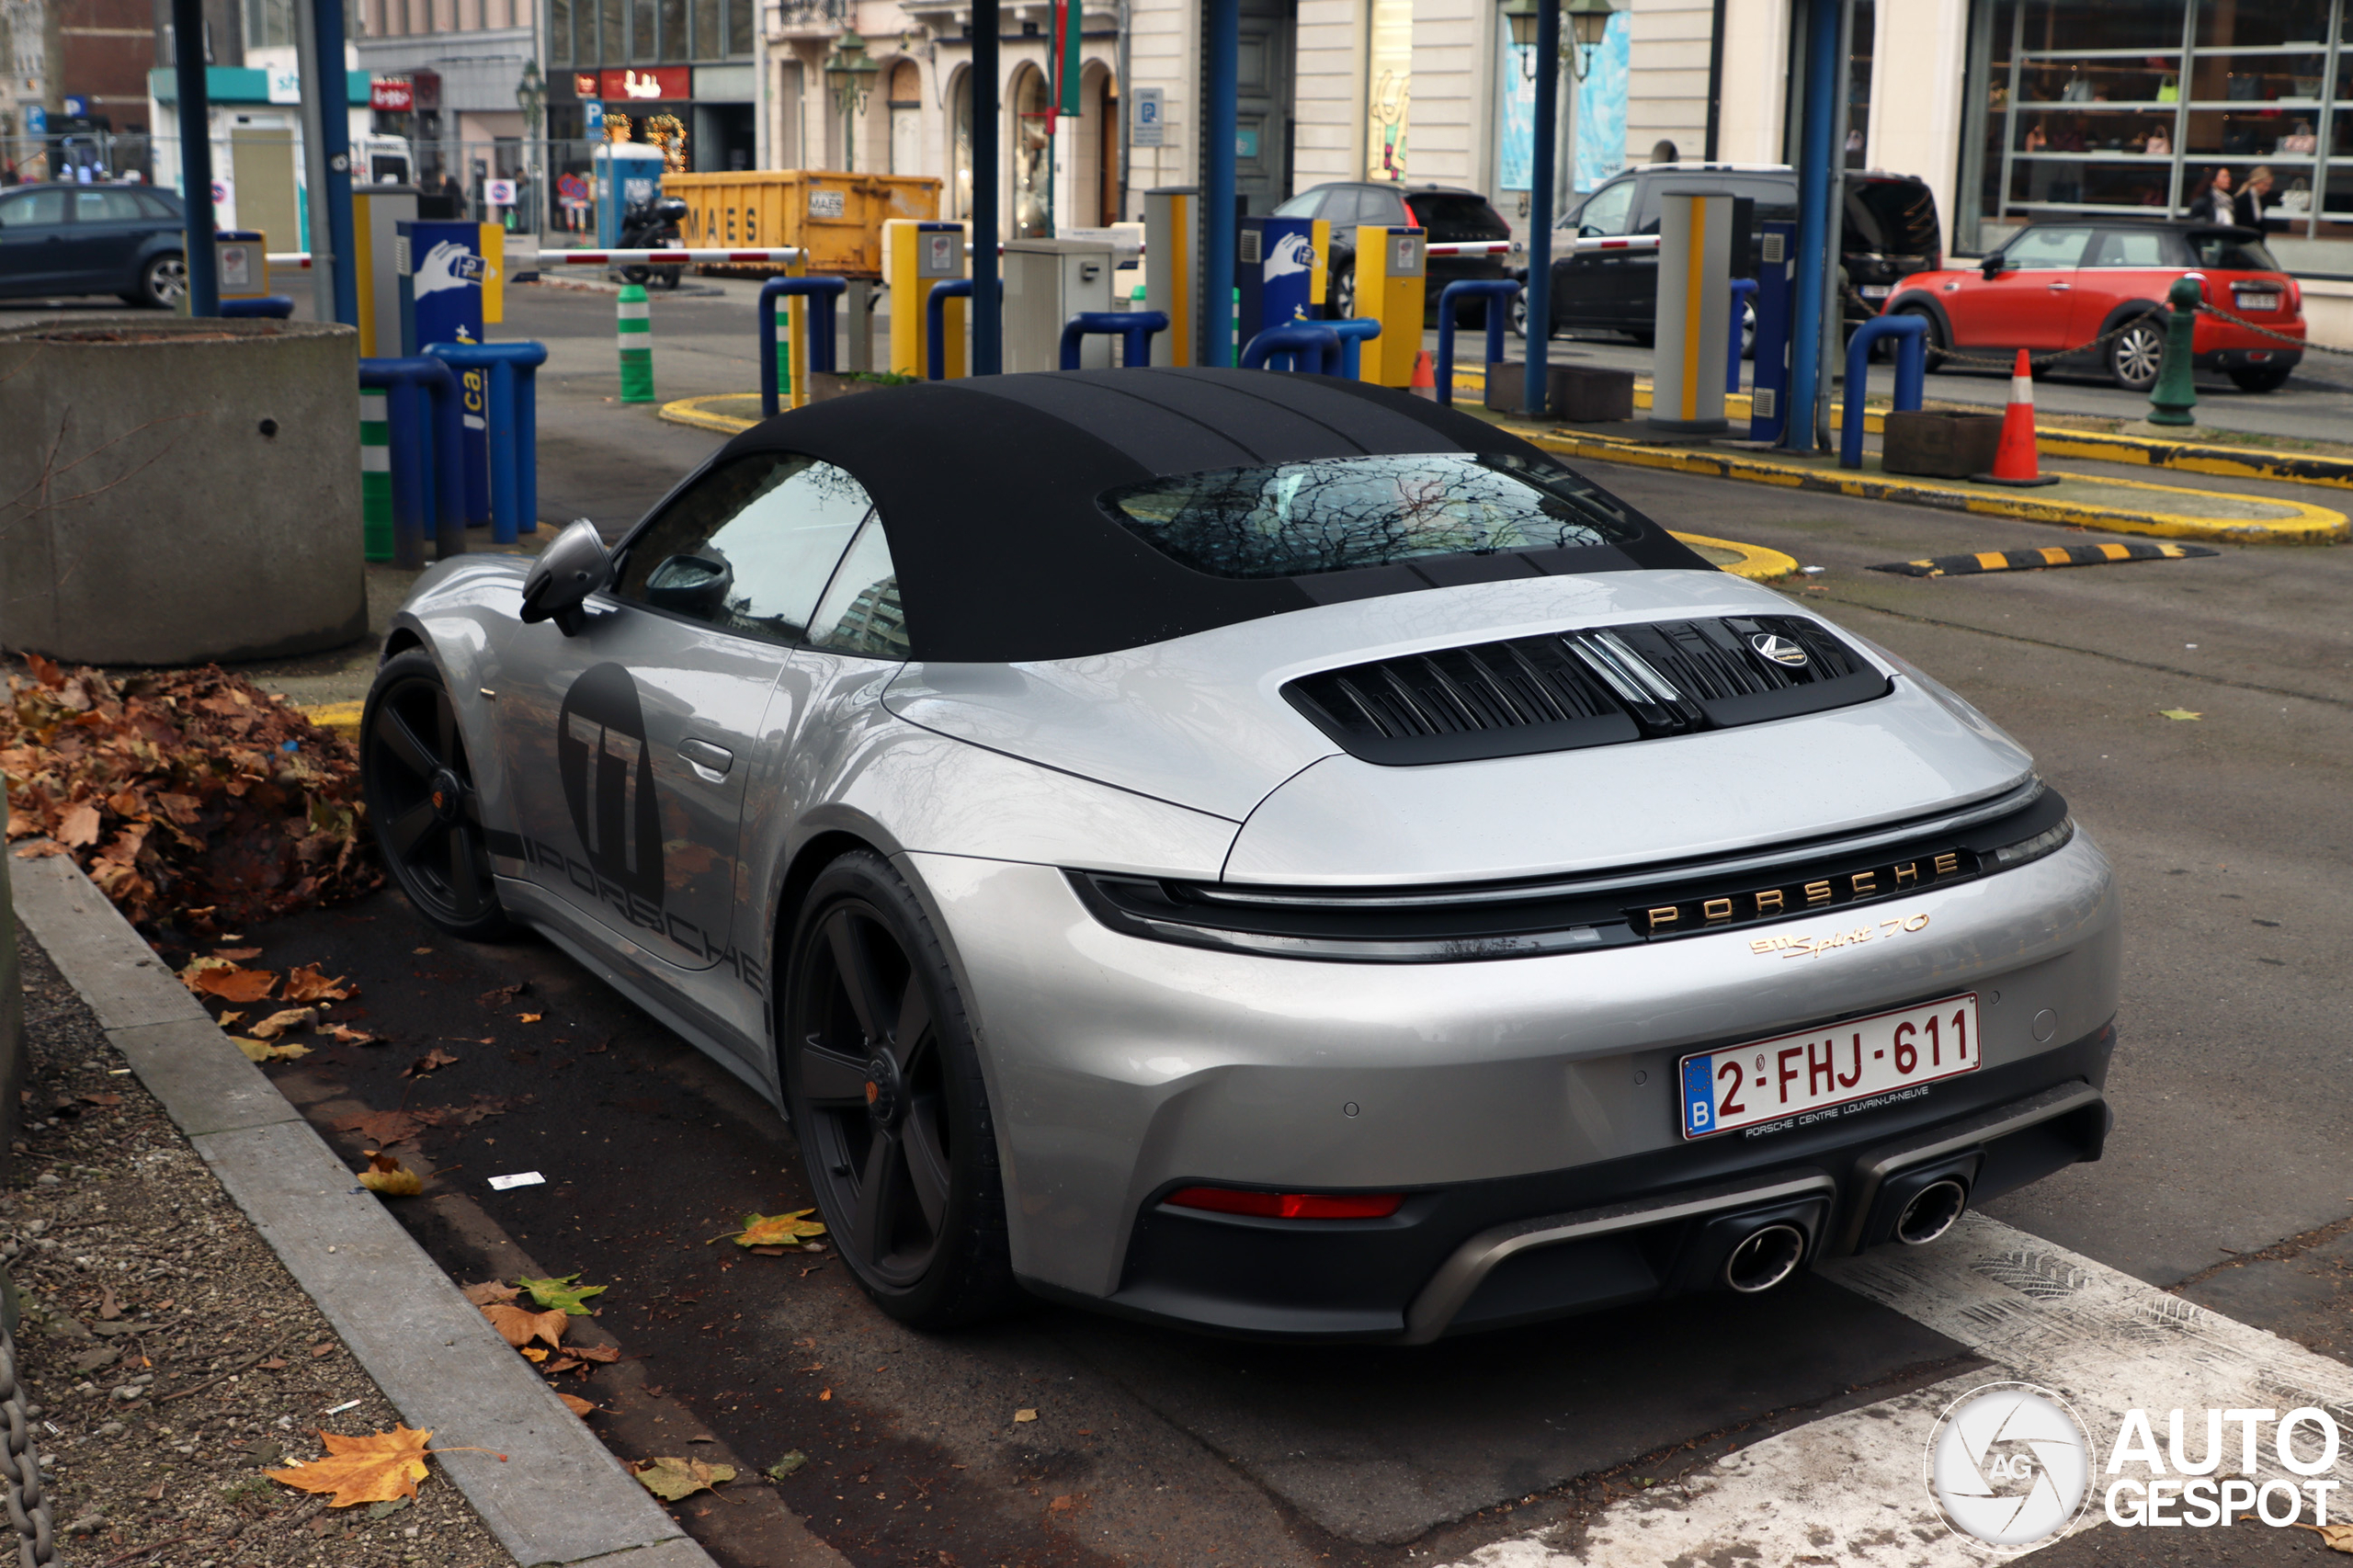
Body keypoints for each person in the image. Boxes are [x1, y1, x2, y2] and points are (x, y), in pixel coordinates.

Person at [2234, 165, 2274, 231]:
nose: (2268, 188)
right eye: (2265, 185)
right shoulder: (2242, 199)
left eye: (2270, 185)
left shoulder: (2262, 199)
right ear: (2256, 181)